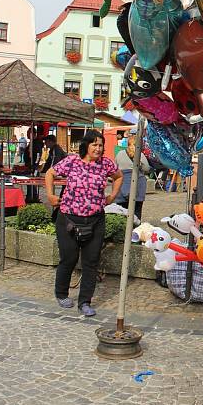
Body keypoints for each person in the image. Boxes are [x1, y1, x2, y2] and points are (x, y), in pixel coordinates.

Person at [45, 129, 122, 317]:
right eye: (94, 144)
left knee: (91, 262)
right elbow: (50, 173)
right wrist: (50, 195)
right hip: (69, 219)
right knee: (69, 258)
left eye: (101, 145)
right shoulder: (72, 161)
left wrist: (112, 196)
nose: (98, 148)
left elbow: (119, 176)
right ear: (86, 145)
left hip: (95, 220)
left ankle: (85, 302)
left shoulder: (106, 164)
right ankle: (61, 293)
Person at [115, 134, 150, 220]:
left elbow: (114, 168)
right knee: (136, 212)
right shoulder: (140, 155)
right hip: (137, 185)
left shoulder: (119, 154)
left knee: (121, 211)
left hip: (122, 185)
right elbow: (147, 168)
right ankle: (134, 230)